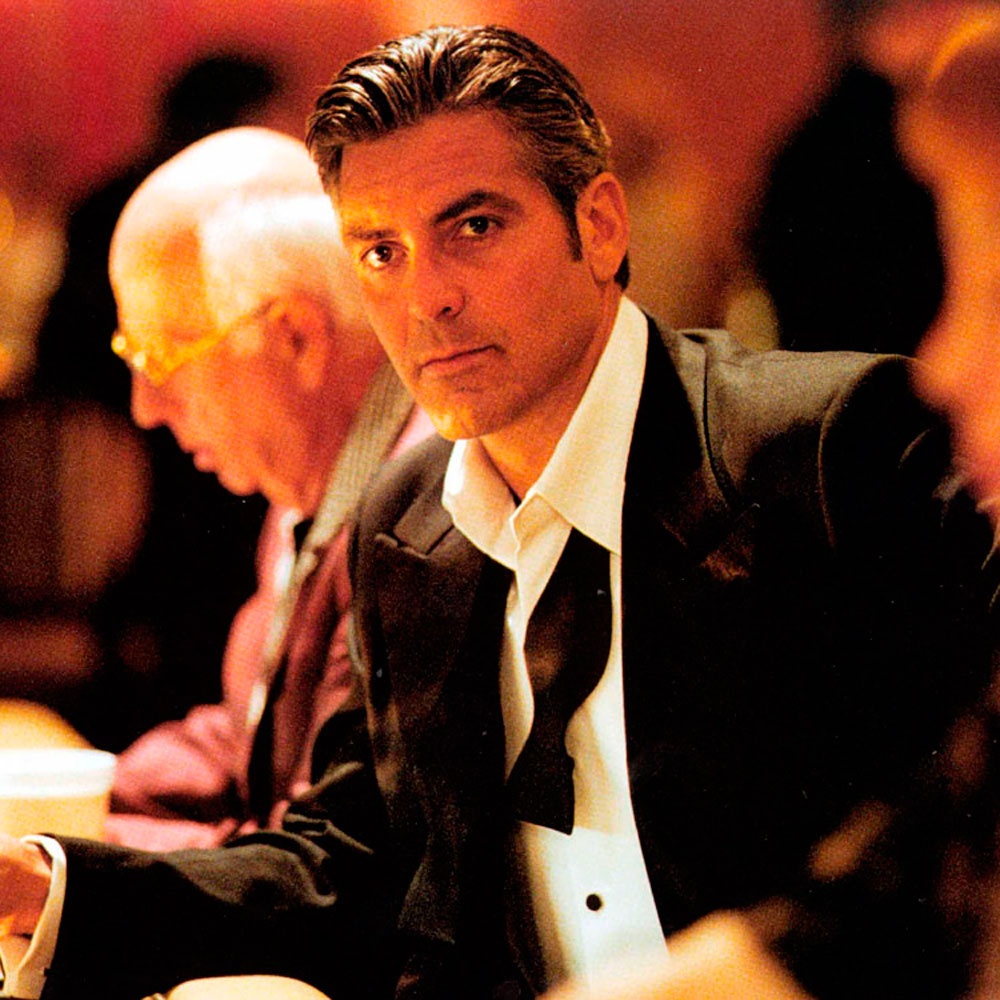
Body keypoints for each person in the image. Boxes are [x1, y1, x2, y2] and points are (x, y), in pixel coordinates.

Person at [0, 24, 993, 1000]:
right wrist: (51, 885)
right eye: (380, 252)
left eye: (472, 226)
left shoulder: (829, 447)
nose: (426, 296)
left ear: (599, 226)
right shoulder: (400, 520)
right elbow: (346, 865)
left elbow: (942, 851)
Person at [100, 125, 432, 852]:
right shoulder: (304, 492)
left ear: (296, 337)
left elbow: (322, 867)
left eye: (162, 355)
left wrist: (74, 865)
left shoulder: (419, 524)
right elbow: (251, 737)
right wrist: (80, 802)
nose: (146, 407)